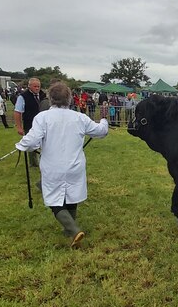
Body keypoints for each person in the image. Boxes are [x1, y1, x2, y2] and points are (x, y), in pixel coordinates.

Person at [15, 82, 109, 248]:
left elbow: (32, 141)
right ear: (69, 99)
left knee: (54, 200)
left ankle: (73, 230)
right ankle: (68, 229)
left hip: (53, 167)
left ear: (51, 98)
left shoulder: (42, 118)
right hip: (75, 166)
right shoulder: (79, 117)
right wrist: (104, 121)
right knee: (72, 194)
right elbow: (101, 131)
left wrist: (21, 145)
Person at [14, 78, 46, 166]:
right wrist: (19, 127)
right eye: (35, 86)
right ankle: (33, 162)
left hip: (44, 124)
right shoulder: (23, 97)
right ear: (29, 86)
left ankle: (44, 160)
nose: (37, 88)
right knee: (32, 143)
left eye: (38, 86)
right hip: (30, 124)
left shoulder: (43, 95)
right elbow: (17, 112)